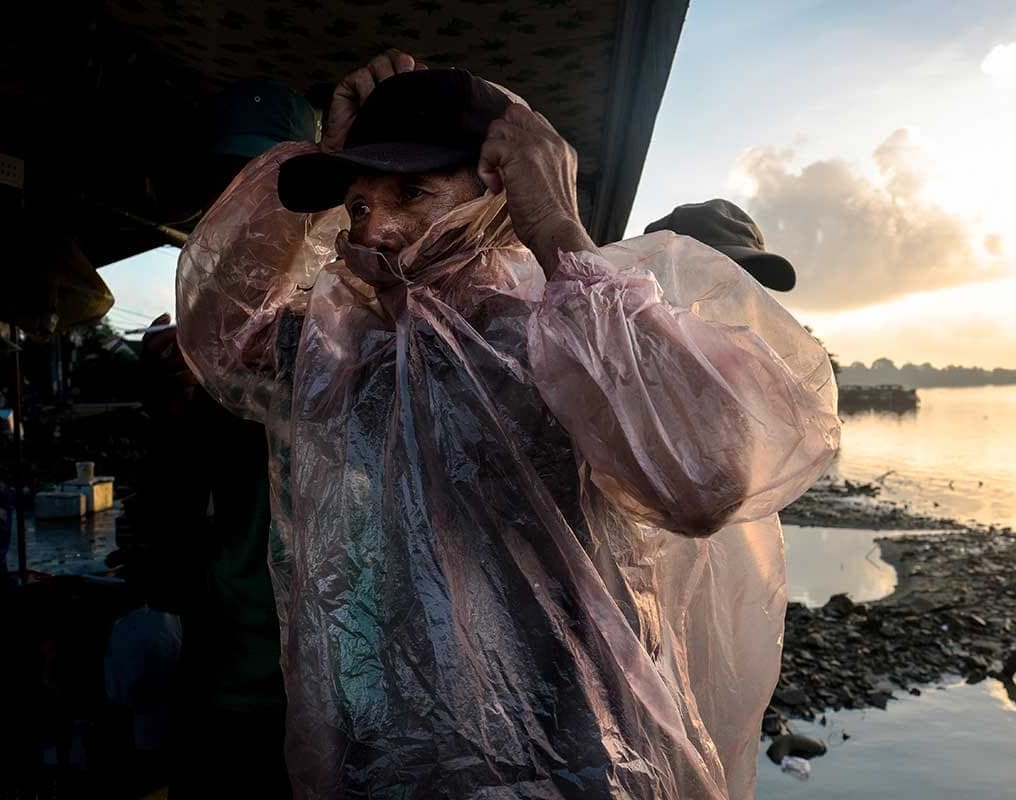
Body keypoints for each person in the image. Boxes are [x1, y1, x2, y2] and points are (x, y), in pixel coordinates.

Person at [178, 50, 840, 799]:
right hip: (392, 760)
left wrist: (558, 226)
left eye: (413, 192)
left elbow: (711, 476)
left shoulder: (556, 337)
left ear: (493, 194)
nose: (375, 230)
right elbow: (224, 337)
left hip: (577, 763)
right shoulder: (358, 355)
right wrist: (316, 163)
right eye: (358, 206)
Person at [132, 79, 316, 799]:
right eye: (227, 192)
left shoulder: (343, 326)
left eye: (266, 189)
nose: (240, 213)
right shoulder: (179, 344)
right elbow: (166, 511)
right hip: (220, 667)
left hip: (321, 678)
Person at [643, 199, 797, 291]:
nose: (739, 297)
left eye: (751, 284)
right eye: (716, 277)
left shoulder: (743, 343)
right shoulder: (625, 337)